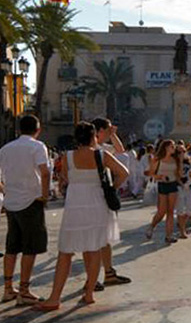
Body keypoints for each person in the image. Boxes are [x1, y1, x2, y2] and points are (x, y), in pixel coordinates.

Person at [36, 122, 128, 310]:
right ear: (94, 136)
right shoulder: (102, 155)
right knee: (93, 249)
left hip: (75, 204)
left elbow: (64, 179)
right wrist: (111, 188)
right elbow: (124, 173)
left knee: (66, 251)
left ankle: (55, 297)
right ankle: (89, 294)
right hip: (97, 202)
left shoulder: (68, 156)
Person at [0, 115, 51, 306]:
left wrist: (3, 188)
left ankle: (8, 289)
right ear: (38, 129)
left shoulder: (6, 148)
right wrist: (45, 195)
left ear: (19, 130)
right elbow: (45, 171)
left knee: (12, 247)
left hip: (11, 202)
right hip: (30, 201)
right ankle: (24, 290)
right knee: (30, 247)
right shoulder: (37, 146)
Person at [92, 118, 132, 287]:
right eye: (107, 130)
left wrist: (113, 134)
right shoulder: (91, 150)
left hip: (103, 196)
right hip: (93, 196)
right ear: (99, 131)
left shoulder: (104, 149)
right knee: (93, 239)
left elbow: (120, 150)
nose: (110, 132)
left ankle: (108, 272)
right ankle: (92, 277)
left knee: (104, 237)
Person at [146, 139, 182, 243]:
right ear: (166, 147)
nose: (174, 148)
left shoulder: (175, 159)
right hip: (162, 184)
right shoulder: (157, 159)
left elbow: (179, 174)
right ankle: (152, 226)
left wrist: (180, 159)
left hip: (173, 183)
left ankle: (169, 235)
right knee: (162, 211)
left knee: (170, 211)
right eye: (172, 146)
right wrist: (159, 176)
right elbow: (151, 173)